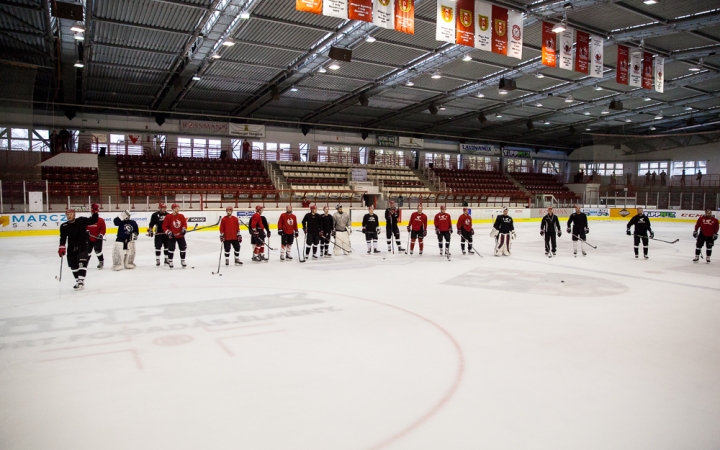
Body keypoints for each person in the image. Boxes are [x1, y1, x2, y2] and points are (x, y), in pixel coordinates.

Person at [58, 204, 99, 290]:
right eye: (68, 215)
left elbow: (93, 220)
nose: (69, 216)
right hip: (71, 248)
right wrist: (61, 247)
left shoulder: (81, 221)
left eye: (71, 214)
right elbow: (63, 238)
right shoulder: (64, 226)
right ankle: (78, 280)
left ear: (74, 215)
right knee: (73, 266)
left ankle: (81, 280)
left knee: (82, 263)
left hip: (82, 246)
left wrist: (95, 212)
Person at [162, 203, 188, 268]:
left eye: (178, 208)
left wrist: (183, 229)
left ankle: (183, 261)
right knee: (171, 249)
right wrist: (168, 232)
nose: (178, 209)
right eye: (176, 208)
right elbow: (164, 226)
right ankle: (170, 261)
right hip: (172, 236)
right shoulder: (168, 217)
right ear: (173, 209)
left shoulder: (181, 216)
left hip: (180, 236)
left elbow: (184, 224)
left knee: (183, 248)